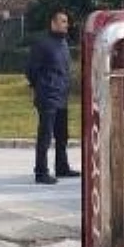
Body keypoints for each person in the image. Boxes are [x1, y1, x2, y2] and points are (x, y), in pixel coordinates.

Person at [26, 10, 78, 185]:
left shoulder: (63, 43)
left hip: (62, 96)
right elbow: (31, 70)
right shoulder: (42, 44)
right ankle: (41, 172)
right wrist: (40, 86)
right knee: (45, 135)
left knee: (62, 135)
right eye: (63, 21)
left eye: (67, 22)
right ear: (53, 23)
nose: (66, 24)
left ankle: (62, 167)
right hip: (47, 95)